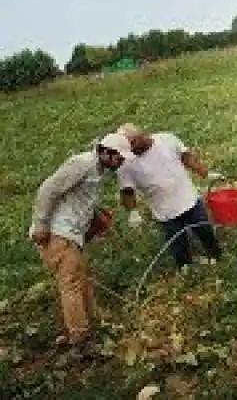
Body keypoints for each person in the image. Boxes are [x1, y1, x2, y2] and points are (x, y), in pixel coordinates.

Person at [28, 133, 133, 360]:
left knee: (84, 280)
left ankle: (91, 326)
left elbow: (78, 199)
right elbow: (48, 189)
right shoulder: (82, 163)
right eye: (119, 158)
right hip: (57, 233)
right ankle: (81, 341)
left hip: (72, 234)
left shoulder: (97, 171)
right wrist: (40, 224)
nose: (121, 163)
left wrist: (97, 215)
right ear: (105, 152)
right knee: (72, 284)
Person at [115, 123, 223, 271]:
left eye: (133, 143)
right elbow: (127, 191)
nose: (131, 149)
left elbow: (187, 158)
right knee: (178, 242)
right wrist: (133, 212)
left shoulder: (166, 140)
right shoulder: (126, 163)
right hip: (165, 211)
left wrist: (205, 174)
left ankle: (217, 256)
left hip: (189, 200)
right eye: (126, 147)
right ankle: (186, 268)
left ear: (141, 135)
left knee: (205, 231)